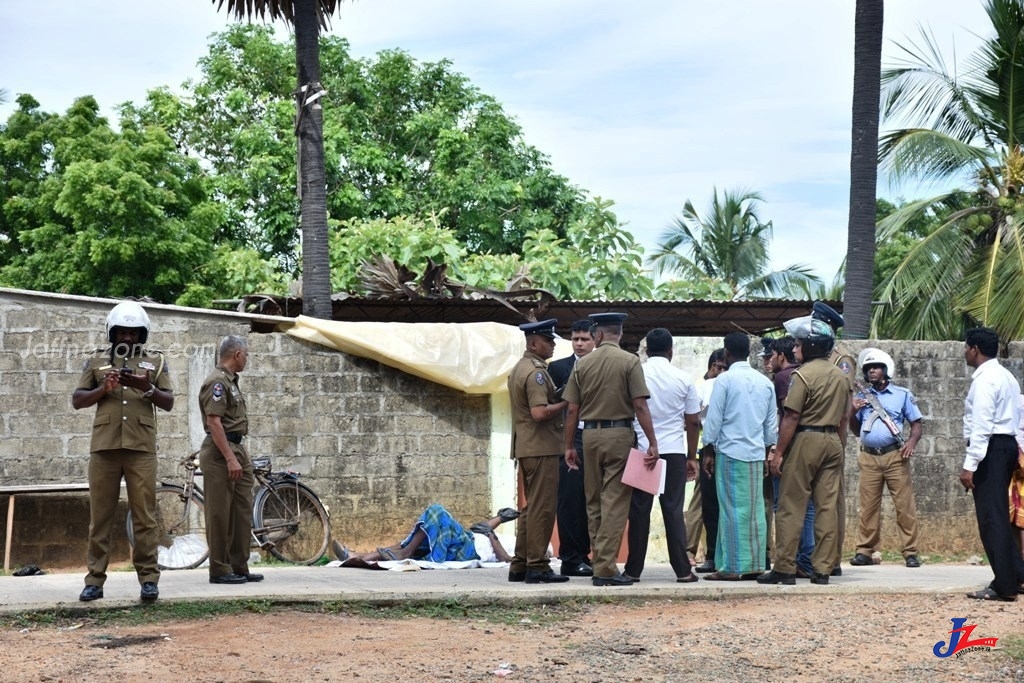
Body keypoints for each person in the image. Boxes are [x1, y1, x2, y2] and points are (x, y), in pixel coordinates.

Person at [72, 301, 174, 603]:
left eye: (133, 332)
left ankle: (148, 580)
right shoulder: (95, 361)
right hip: (104, 449)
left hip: (141, 449)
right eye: (122, 332)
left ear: (141, 335)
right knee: (100, 517)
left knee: (145, 517)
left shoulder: (155, 361)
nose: (127, 337)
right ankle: (94, 581)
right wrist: (103, 389)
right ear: (112, 333)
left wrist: (147, 388)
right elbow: (78, 400)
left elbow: (168, 402)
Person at [564, 311, 657, 587]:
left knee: (593, 501)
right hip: (619, 435)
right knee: (615, 501)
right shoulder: (630, 362)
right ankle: (605, 568)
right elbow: (640, 405)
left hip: (589, 435)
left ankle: (599, 562)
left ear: (599, 334)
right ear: (620, 333)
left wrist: (568, 445)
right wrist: (652, 441)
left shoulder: (582, 364)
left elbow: (572, 409)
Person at [758, 316, 848, 586]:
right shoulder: (840, 375)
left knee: (790, 505)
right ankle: (822, 569)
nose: (794, 350)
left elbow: (791, 417)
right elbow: (844, 418)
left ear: (809, 347)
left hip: (806, 439)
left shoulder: (802, 375)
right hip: (833, 441)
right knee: (827, 507)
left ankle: (784, 567)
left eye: (797, 345)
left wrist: (779, 453)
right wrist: (839, 448)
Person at [623, 328, 700, 583]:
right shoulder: (683, 378)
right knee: (673, 511)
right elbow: (692, 422)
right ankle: (682, 570)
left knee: (639, 511)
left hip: (644, 450)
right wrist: (692, 456)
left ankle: (633, 570)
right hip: (674, 452)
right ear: (671, 351)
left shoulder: (636, 374)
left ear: (646, 350)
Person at [701, 333, 777, 580]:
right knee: (754, 510)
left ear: (726, 354)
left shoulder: (725, 381)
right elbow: (770, 424)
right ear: (749, 353)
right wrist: (768, 451)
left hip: (730, 452)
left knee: (731, 509)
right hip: (755, 454)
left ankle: (732, 566)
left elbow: (714, 420)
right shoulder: (765, 382)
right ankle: (755, 563)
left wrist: (708, 448)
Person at [960, 327, 1024, 601]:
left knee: (991, 517)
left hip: (992, 447)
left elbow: (982, 425)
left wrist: (970, 464)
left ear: (975, 348)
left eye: (966, 347)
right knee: (999, 514)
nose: (965, 352)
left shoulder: (985, 380)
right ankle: (1017, 576)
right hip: (1006, 445)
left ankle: (1004, 585)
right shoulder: (1007, 376)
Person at [507, 319, 570, 584]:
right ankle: (538, 565)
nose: (553, 345)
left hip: (528, 446)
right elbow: (539, 412)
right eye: (548, 340)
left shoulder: (520, 368)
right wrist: (565, 402)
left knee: (530, 508)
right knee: (542, 508)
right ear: (534, 343)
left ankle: (520, 563)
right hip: (541, 446)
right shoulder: (536, 373)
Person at [848, 348, 924, 569]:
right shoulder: (861, 397)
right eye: (868, 368)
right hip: (869, 458)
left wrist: (911, 443)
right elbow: (856, 430)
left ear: (885, 370)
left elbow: (917, 424)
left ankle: (911, 552)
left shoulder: (902, 394)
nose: (872, 371)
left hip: (895, 456)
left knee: (904, 506)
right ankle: (864, 551)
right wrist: (852, 412)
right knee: (868, 506)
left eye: (876, 367)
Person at [199, 335, 262, 585]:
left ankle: (239, 565)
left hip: (237, 448)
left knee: (241, 510)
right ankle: (219, 569)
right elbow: (213, 423)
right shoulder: (217, 382)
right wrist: (229, 458)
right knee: (219, 513)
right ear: (237, 355)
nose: (247, 359)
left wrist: (238, 456)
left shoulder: (231, 382)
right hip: (220, 451)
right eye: (246, 355)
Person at [547, 319, 596, 577]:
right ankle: (570, 558)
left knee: (593, 500)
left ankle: (586, 556)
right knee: (569, 500)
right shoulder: (557, 368)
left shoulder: (603, 366)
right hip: (569, 439)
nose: (579, 344)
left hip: (597, 435)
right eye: (575, 339)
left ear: (595, 339)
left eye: (584, 339)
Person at [810, 301, 854, 577]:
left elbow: (844, 409)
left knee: (831, 501)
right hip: (812, 437)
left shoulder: (842, 359)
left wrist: (840, 442)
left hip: (831, 437)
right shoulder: (814, 356)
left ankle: (832, 559)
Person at [769, 336, 816, 579]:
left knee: (783, 505)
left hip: (790, 446)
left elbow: (787, 416)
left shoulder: (783, 377)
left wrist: (777, 451)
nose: (769, 361)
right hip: (813, 445)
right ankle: (808, 559)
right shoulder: (808, 373)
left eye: (772, 355)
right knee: (808, 506)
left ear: (781, 356)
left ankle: (788, 562)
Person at [331, 505, 520, 564]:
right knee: (423, 531)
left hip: (468, 551)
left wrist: (493, 537)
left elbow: (506, 560)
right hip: (463, 539)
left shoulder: (518, 549)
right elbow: (480, 528)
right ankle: (355, 557)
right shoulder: (511, 538)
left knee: (437, 513)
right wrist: (500, 518)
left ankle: (406, 552)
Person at [689, 349, 727, 572]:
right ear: (712, 367)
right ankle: (707, 552)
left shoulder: (718, 385)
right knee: (708, 504)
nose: (721, 372)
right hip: (710, 449)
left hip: (717, 449)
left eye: (725, 367)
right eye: (719, 367)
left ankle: (713, 553)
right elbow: (695, 420)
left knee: (716, 504)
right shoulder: (704, 386)